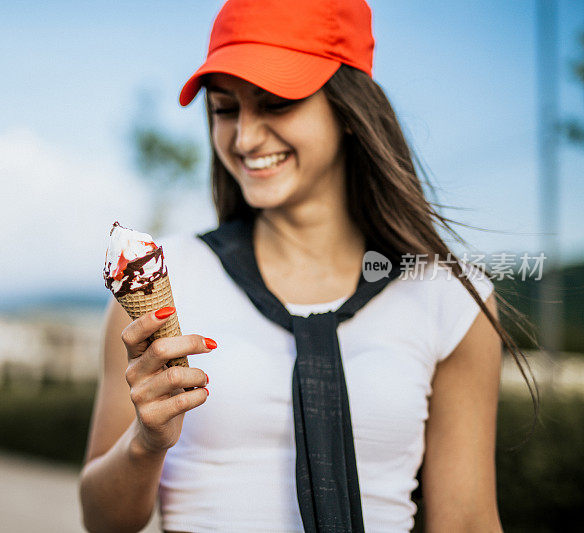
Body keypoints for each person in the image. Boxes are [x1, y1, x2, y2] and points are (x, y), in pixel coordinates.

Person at [80, 1, 533, 531]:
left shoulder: (448, 298)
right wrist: (145, 442)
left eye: (275, 103)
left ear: (349, 110)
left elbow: (467, 520)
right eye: (226, 110)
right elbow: (102, 521)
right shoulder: (165, 277)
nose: (245, 138)